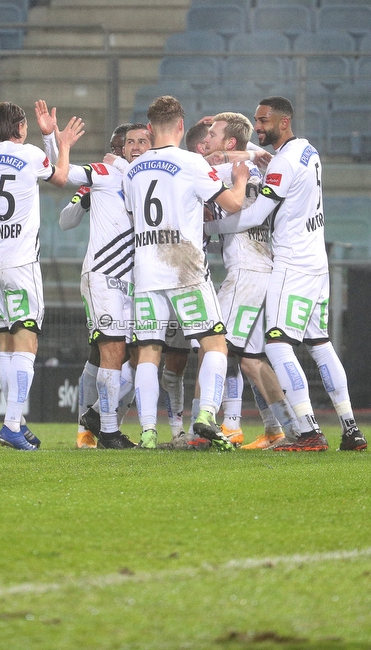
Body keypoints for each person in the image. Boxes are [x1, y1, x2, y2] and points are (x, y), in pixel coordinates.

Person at [204, 96, 366, 452]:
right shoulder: (308, 152)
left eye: (263, 121)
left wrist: (208, 224)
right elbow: (260, 158)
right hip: (315, 261)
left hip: (291, 263)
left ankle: (308, 432)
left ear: (283, 122)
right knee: (320, 345)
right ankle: (351, 429)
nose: (258, 127)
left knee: (276, 343)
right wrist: (235, 143)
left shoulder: (283, 164)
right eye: (256, 122)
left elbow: (253, 216)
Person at [122, 95, 249, 451]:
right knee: (214, 342)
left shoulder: (133, 170)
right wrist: (239, 178)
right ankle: (206, 415)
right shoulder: (192, 162)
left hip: (146, 270)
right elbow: (233, 205)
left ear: (149, 129)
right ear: (181, 126)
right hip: (185, 268)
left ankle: (148, 432)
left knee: (148, 351)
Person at [0, 100, 84, 450]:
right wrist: (59, 143)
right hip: (20, 263)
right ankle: (12, 424)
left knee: (5, 341)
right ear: (19, 129)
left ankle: (17, 419)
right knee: (26, 337)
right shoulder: (30, 154)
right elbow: (60, 177)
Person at [48, 120, 154, 448]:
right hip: (104, 277)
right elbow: (59, 181)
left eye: (142, 142)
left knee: (139, 355)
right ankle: (100, 429)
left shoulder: (154, 179)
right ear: (120, 149)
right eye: (128, 143)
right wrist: (53, 139)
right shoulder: (105, 175)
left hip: (138, 282)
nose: (134, 147)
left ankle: (97, 416)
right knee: (108, 351)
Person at [202, 112, 302, 450]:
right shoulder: (261, 167)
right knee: (252, 358)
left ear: (229, 142)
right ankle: (287, 429)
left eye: (212, 134)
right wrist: (240, 149)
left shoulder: (227, 170)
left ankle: (204, 428)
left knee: (212, 344)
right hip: (264, 268)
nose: (206, 140)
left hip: (245, 272)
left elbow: (191, 163)